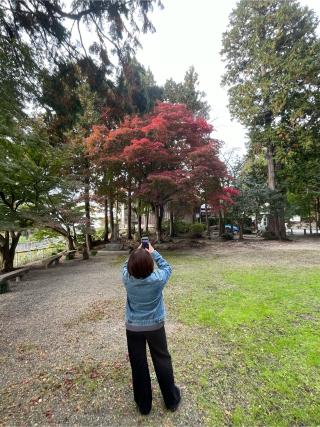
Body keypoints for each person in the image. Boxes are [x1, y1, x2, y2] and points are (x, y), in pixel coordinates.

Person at [122, 243, 181, 415]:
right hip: (155, 326)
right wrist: (153, 252)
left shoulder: (127, 278)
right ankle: (171, 400)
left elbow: (125, 266)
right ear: (150, 265)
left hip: (133, 327)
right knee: (162, 360)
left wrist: (135, 252)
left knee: (138, 363)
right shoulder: (158, 279)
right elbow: (167, 267)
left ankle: (144, 405)